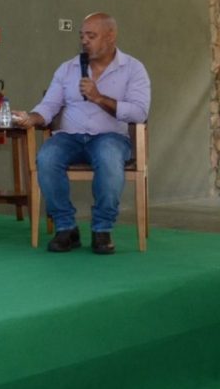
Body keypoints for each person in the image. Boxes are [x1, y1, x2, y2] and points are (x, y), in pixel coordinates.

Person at [12, 13, 150, 255]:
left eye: (91, 36)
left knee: (108, 156)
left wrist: (99, 98)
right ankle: (66, 228)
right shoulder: (68, 69)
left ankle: (102, 229)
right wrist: (31, 118)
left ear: (111, 36)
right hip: (70, 137)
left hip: (111, 137)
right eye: (82, 36)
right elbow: (49, 106)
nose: (84, 41)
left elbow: (139, 112)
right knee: (47, 157)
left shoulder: (133, 69)